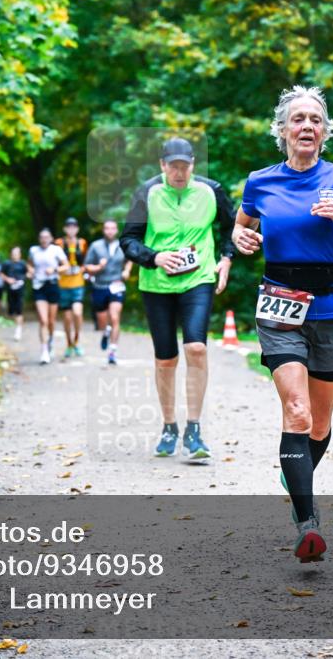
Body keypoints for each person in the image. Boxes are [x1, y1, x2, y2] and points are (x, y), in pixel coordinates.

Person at [231, 85, 333, 562]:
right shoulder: (260, 181)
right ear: (283, 130)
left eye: (315, 119)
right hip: (279, 307)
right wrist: (242, 239)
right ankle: (307, 523)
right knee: (297, 412)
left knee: (319, 424)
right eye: (298, 119)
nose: (307, 126)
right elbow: (242, 224)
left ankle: (294, 473)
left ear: (325, 131)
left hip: (331, 309)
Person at [120, 137, 236, 460]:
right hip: (156, 284)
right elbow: (127, 240)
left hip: (198, 279)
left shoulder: (212, 191)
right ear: (162, 166)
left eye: (185, 166)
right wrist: (154, 257)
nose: (179, 173)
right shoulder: (146, 193)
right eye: (173, 166)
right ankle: (169, 425)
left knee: (196, 347)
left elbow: (233, 227)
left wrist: (226, 258)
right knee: (166, 358)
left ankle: (194, 428)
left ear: (193, 164)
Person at [84, 219, 133, 365]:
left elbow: (130, 260)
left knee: (115, 316)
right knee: (102, 322)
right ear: (103, 230)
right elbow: (87, 266)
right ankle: (106, 331)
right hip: (100, 286)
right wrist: (98, 267)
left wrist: (127, 270)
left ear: (116, 230)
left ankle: (112, 351)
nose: (110, 231)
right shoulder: (95, 246)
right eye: (107, 228)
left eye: (112, 228)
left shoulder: (122, 245)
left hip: (117, 285)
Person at [29, 229, 70, 364]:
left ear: (51, 238)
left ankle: (51, 338)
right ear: (39, 238)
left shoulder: (56, 250)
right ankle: (44, 351)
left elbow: (66, 266)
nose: (44, 239)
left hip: (52, 285)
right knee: (43, 320)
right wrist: (30, 271)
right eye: (42, 237)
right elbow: (29, 264)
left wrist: (55, 270)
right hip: (38, 286)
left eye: (47, 237)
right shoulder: (33, 250)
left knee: (51, 321)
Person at [56, 217, 88, 359]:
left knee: (77, 313)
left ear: (77, 229)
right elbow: (54, 262)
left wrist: (81, 269)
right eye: (68, 227)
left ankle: (77, 340)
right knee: (67, 318)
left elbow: (86, 262)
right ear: (65, 229)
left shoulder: (82, 243)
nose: (71, 229)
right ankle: (69, 344)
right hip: (63, 284)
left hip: (78, 283)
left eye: (74, 227)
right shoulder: (58, 243)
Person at [0, 246, 28, 341]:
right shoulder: (6, 264)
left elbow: (28, 273)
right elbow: (1, 274)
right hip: (10, 290)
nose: (15, 255)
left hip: (20, 290)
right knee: (11, 312)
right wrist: (8, 279)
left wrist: (23, 279)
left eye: (17, 253)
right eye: (13, 253)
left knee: (19, 310)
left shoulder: (23, 264)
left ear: (20, 254)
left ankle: (18, 330)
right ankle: (16, 325)